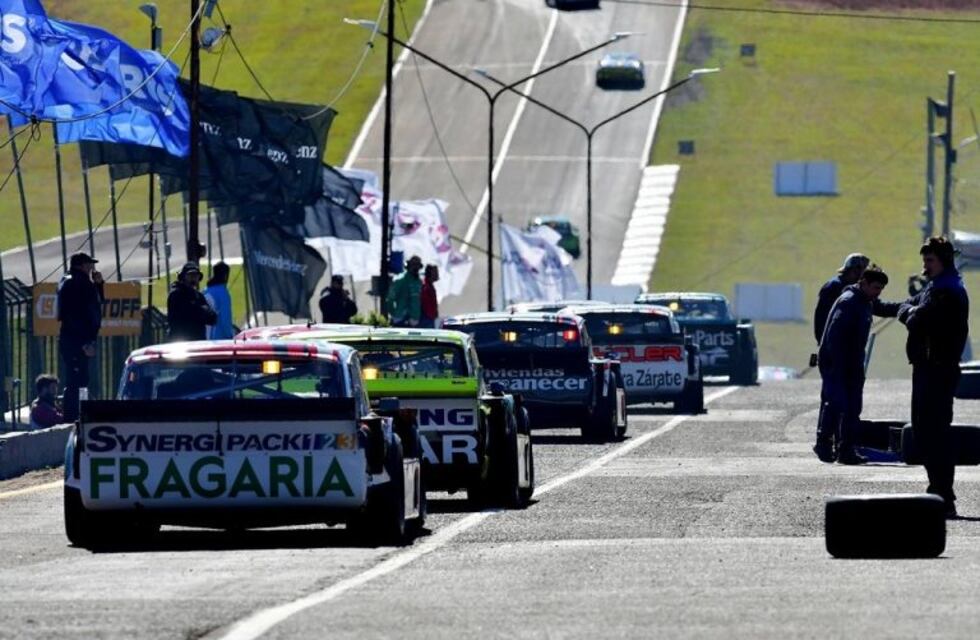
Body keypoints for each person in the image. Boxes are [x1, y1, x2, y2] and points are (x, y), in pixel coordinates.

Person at [897, 237, 969, 518]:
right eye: (924, 260)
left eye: (930, 261)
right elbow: (909, 306)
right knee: (924, 431)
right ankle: (938, 490)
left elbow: (916, 319)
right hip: (928, 369)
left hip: (938, 371)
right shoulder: (936, 286)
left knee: (934, 433)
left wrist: (907, 312)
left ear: (943, 261)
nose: (925, 266)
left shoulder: (946, 292)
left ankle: (943, 495)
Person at [813, 254, 898, 458]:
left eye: (880, 289)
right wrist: (839, 366)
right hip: (839, 362)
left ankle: (846, 449)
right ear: (864, 282)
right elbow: (834, 337)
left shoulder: (865, 301)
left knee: (852, 406)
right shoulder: (849, 302)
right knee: (836, 403)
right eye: (875, 288)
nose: (878, 293)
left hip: (852, 361)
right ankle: (824, 444)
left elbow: (883, 308)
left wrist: (907, 306)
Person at [57, 252, 104, 423]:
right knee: (77, 379)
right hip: (77, 339)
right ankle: (73, 415)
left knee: (80, 378)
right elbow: (78, 314)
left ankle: (79, 412)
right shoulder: (77, 283)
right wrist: (85, 341)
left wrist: (98, 285)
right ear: (82, 265)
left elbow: (96, 305)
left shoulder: (71, 281)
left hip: (73, 338)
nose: (92, 267)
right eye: (89, 264)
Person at [167, 263, 217, 342]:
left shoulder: (198, 296)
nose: (193, 278)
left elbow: (212, 318)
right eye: (190, 275)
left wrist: (200, 310)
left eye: (196, 275)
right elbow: (186, 314)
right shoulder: (176, 294)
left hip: (198, 341)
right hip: (181, 341)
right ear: (183, 277)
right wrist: (200, 310)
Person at [387, 255, 423, 327]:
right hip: (400, 318)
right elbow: (390, 298)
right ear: (408, 266)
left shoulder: (419, 282)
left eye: (417, 265)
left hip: (414, 319)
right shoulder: (400, 280)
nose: (416, 268)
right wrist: (394, 314)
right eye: (413, 265)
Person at [204, 262, 235, 340]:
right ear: (225, 275)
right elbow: (225, 319)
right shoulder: (223, 293)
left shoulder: (205, 291)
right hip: (218, 339)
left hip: (204, 337)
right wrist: (230, 336)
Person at [420, 264, 439, 328]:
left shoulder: (429, 286)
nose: (437, 275)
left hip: (429, 318)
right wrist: (431, 315)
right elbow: (425, 303)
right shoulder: (426, 286)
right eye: (435, 272)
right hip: (426, 318)